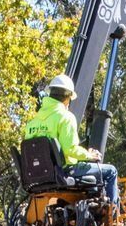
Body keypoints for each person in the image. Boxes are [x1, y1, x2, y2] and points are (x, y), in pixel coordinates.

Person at [23, 73, 118, 206]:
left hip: (39, 178)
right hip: (64, 172)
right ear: (67, 98)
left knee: (94, 184)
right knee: (111, 171)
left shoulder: (32, 123)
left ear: (50, 94)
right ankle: (113, 217)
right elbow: (70, 150)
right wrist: (89, 155)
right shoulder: (65, 117)